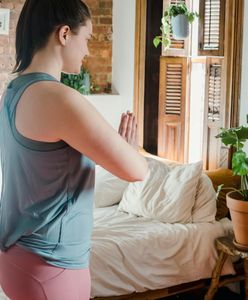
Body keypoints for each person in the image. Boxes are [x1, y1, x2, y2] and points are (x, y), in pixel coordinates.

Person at [0, 1, 148, 299]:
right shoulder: (61, 100)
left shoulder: (12, 91)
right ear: (64, 34)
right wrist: (127, 148)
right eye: (87, 39)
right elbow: (137, 170)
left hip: (15, 256)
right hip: (51, 267)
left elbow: (51, 168)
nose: (88, 51)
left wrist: (113, 151)